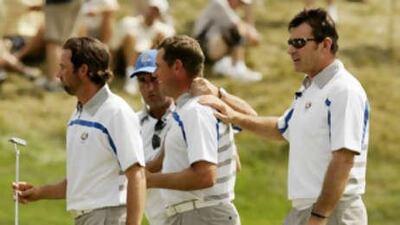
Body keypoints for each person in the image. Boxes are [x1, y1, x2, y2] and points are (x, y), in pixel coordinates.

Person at [199, 8, 369, 225]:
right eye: (290, 43)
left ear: (325, 44)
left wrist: (319, 216)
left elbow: (344, 159)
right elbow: (281, 127)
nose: (290, 50)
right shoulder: (310, 88)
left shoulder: (344, 90)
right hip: (305, 210)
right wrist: (234, 116)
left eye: (298, 43)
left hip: (332, 212)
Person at [12, 37, 146, 225]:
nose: (58, 74)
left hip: (107, 217)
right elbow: (80, 183)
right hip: (86, 217)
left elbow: (137, 174)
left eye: (63, 67)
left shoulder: (116, 112)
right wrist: (38, 193)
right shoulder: (77, 114)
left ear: (83, 70)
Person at [146, 35, 241, 225]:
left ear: (177, 67)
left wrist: (150, 181)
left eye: (158, 66)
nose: (155, 75)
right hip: (193, 215)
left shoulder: (196, 111)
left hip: (202, 216)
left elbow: (204, 176)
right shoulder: (184, 111)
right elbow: (157, 162)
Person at [130, 49, 174, 225]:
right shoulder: (130, 124)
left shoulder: (188, 113)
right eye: (143, 81)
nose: (149, 88)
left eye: (154, 79)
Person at [110, 0, 175, 95]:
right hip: (123, 62)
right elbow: (113, 47)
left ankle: (148, 78)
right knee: (130, 37)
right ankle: (131, 78)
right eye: (151, 9)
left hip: (149, 63)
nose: (151, 12)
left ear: (160, 14)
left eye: (156, 10)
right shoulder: (128, 23)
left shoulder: (165, 30)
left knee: (161, 38)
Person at [193, 0, 262, 81]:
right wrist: (250, 31)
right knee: (236, 32)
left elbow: (253, 38)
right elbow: (241, 29)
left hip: (211, 47)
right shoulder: (219, 3)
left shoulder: (229, 9)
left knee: (238, 33)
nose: (240, 6)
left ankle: (226, 64)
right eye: (240, 3)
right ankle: (239, 69)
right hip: (202, 48)